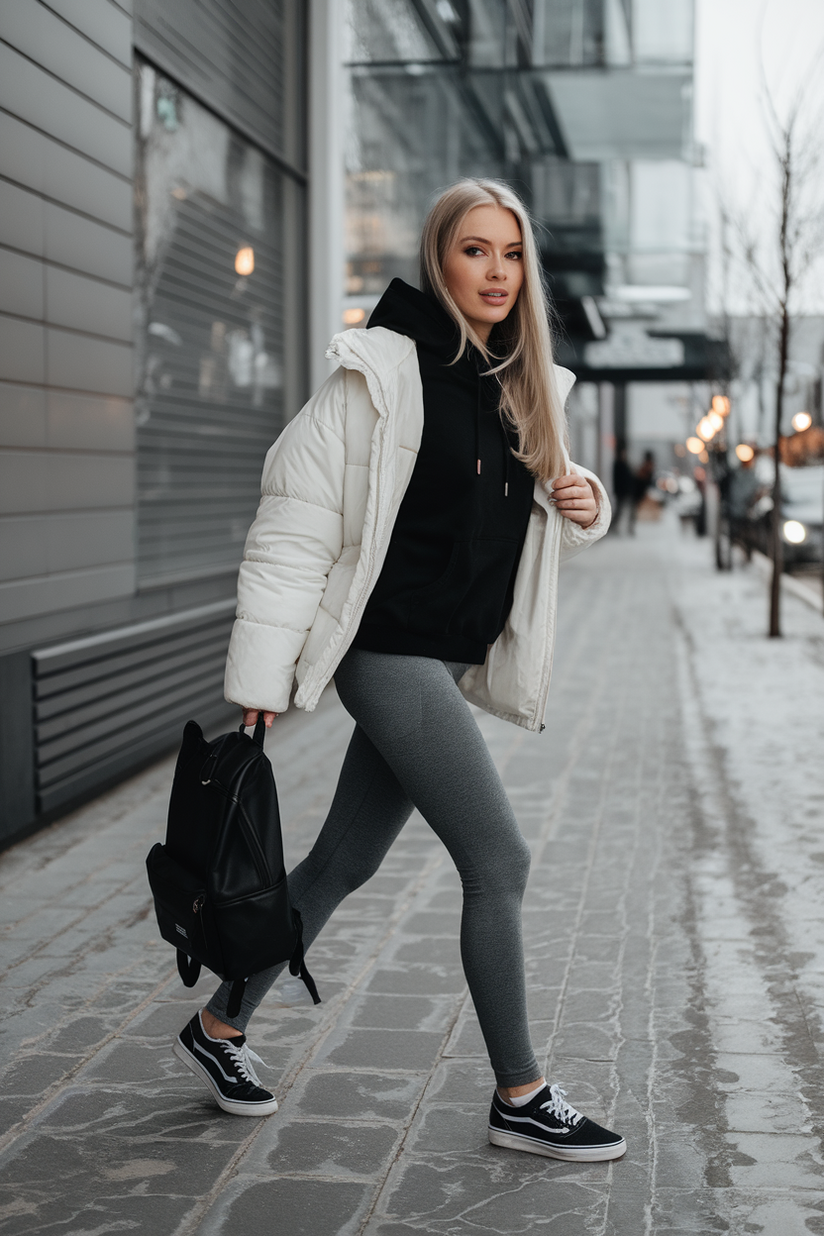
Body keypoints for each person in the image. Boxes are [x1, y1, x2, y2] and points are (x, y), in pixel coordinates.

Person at [173, 179, 626, 1163]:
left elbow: (516, 530)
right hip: (384, 654)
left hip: (442, 655)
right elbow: (294, 526)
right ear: (438, 258)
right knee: (497, 861)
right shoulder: (375, 374)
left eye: (510, 253)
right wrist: (259, 677)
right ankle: (519, 1093)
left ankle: (218, 1027)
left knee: (343, 862)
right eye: (474, 251)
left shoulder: (523, 383)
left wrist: (583, 511)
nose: (496, 271)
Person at [611, 446, 634, 534]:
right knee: (619, 511)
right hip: (621, 492)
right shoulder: (619, 465)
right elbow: (619, 480)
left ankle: (626, 528)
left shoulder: (624, 464)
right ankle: (613, 527)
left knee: (625, 511)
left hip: (626, 491)